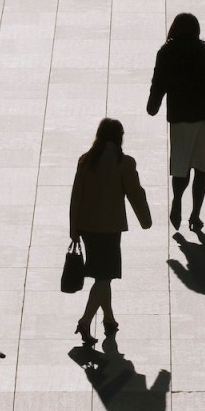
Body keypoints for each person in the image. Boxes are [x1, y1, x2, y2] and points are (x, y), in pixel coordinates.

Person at [146, 12, 205, 233]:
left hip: (179, 118)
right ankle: (195, 215)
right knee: (201, 168)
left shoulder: (165, 52)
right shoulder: (202, 51)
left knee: (180, 166)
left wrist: (153, 105)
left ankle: (177, 201)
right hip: (204, 118)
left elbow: (159, 82)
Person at [69, 117, 152, 344]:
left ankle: (109, 319)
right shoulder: (123, 163)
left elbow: (76, 196)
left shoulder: (85, 161)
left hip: (86, 227)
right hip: (109, 228)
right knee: (105, 276)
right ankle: (85, 321)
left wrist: (73, 228)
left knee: (101, 275)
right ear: (119, 137)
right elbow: (136, 194)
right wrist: (146, 220)